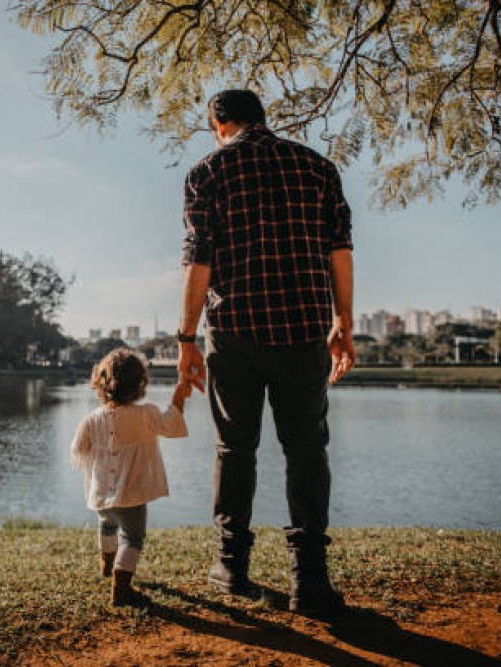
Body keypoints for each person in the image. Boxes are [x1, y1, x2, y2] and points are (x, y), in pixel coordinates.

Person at [176, 89, 355, 617]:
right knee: (306, 448)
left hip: (235, 332)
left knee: (235, 447)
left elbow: (198, 260)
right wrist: (343, 321)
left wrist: (187, 339)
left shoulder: (207, 171)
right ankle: (311, 581)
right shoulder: (318, 167)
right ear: (261, 119)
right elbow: (339, 250)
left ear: (219, 122)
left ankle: (232, 565)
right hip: (304, 329)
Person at [71, 347, 191, 607]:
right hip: (132, 494)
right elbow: (172, 424)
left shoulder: (91, 419)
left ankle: (106, 564)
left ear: (101, 383)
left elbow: (79, 450)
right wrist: (179, 395)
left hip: (102, 494)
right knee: (132, 538)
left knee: (108, 526)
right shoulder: (146, 414)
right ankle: (121, 587)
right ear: (140, 384)